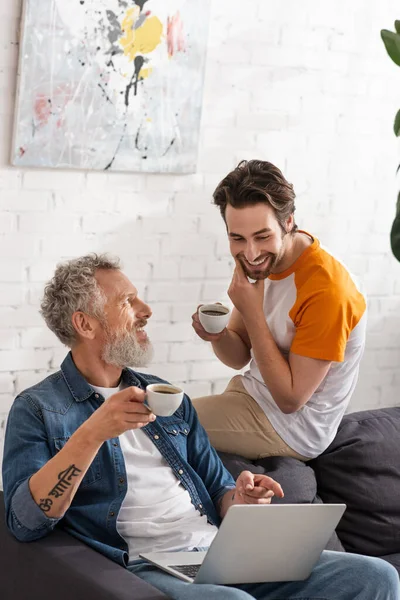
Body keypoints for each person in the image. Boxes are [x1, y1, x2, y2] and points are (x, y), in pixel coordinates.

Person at [3, 254, 396, 600]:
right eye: (127, 301)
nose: (146, 309)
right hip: (143, 565)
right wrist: (92, 433)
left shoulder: (165, 397)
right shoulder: (38, 409)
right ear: (85, 325)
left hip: (217, 554)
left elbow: (217, 487)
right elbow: (25, 521)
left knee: (373, 575)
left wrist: (238, 500)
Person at [192, 160, 367, 461]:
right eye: (237, 238)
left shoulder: (327, 291)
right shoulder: (263, 262)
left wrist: (251, 312)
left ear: (288, 223)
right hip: (250, 397)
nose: (250, 253)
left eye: (262, 236)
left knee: (161, 423)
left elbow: (291, 399)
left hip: (293, 428)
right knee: (151, 415)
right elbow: (238, 357)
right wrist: (217, 335)